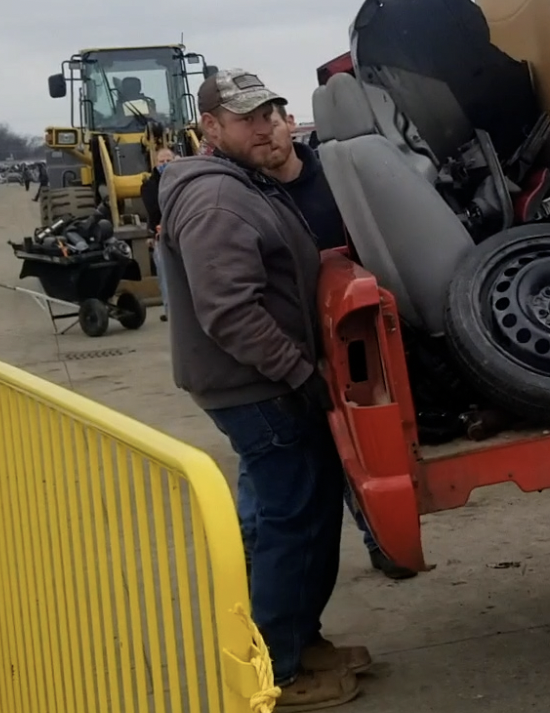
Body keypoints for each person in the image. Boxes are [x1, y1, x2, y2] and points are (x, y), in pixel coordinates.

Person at [158, 69, 366, 709]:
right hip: (257, 389)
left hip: (262, 383)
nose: (265, 124)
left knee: (303, 515)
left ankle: (301, 639)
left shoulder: (241, 182)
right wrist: (303, 374)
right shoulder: (217, 200)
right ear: (211, 128)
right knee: (291, 526)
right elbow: (230, 313)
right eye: (247, 117)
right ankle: (278, 669)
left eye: (271, 111)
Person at [236, 109, 417, 581]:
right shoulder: (246, 194)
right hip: (286, 344)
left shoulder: (336, 182)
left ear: (289, 122)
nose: (266, 134)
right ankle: (252, 549)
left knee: (356, 445)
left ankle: (381, 540)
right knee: (272, 455)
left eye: (270, 120)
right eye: (251, 125)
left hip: (349, 337)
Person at [140, 147, 175, 322]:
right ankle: (170, 311)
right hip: (161, 235)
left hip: (182, 232)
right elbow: (152, 211)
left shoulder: (182, 179)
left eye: (168, 160)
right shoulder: (150, 185)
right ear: (155, 164)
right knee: (165, 275)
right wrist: (150, 233)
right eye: (161, 162)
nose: (165, 164)